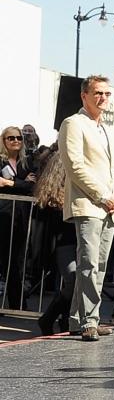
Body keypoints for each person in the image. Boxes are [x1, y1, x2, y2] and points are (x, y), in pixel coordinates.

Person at [58, 75, 114, 341]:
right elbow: (75, 167)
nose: (103, 98)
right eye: (98, 93)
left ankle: (78, 318)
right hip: (89, 204)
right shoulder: (72, 124)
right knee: (88, 263)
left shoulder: (108, 129)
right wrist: (103, 196)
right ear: (84, 95)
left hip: (110, 207)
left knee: (99, 264)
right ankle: (90, 319)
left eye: (107, 94)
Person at [33, 146, 76, 335]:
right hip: (64, 243)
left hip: (75, 240)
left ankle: (64, 320)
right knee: (73, 281)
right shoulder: (54, 196)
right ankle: (49, 318)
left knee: (75, 282)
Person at [0, 125, 37, 309]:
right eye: (11, 138)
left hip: (21, 217)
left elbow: (31, 186)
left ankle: (17, 303)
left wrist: (8, 182)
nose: (16, 141)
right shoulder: (0, 161)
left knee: (16, 260)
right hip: (2, 216)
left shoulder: (27, 162)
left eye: (19, 138)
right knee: (2, 259)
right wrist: (21, 183)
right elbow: (25, 184)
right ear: (4, 140)